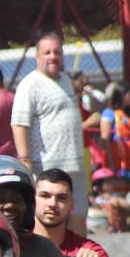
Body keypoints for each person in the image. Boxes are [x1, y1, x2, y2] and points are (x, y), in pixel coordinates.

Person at [11, 34, 88, 234]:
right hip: (47, 166)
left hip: (75, 165)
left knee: (78, 216)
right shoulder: (29, 85)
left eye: (57, 52)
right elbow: (19, 123)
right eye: (47, 52)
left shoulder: (65, 79)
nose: (52, 56)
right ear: (37, 56)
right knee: (49, 220)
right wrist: (24, 158)